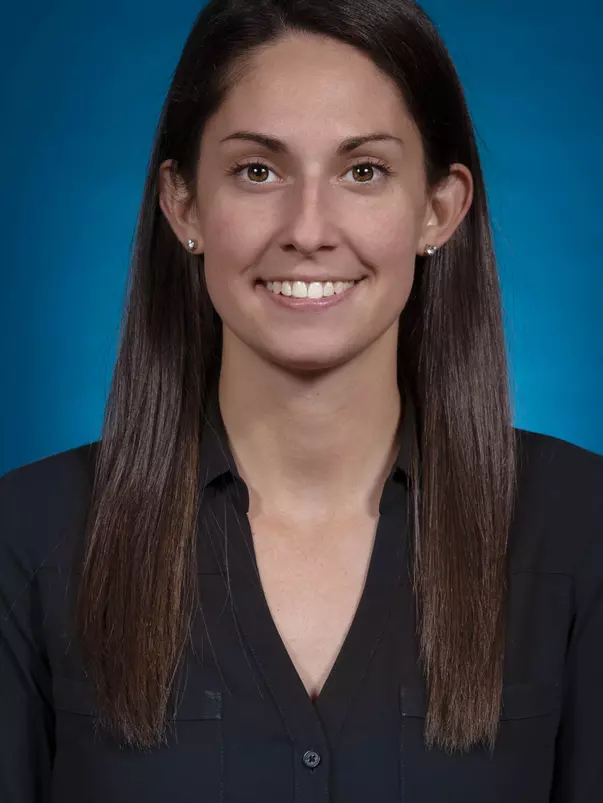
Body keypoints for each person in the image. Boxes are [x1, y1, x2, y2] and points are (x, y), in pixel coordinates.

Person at [1, 0, 602, 800]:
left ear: (437, 209)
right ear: (183, 204)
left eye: (363, 171)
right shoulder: (26, 538)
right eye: (258, 170)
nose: (308, 229)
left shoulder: (581, 527)